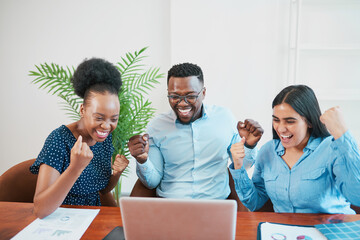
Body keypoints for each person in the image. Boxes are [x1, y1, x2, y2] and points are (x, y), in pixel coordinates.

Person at [128, 62, 263, 199]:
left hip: (215, 205)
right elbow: (151, 183)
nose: (182, 103)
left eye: (191, 96)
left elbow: (243, 166)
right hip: (170, 206)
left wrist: (249, 146)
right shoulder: (157, 127)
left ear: (203, 93)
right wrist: (142, 160)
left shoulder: (224, 118)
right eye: (175, 96)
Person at [230, 84, 360, 214]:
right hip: (285, 231)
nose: (280, 128)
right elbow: (254, 203)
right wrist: (238, 166)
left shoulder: (331, 148)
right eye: (276, 120)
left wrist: (342, 134)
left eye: (290, 121)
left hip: (330, 229)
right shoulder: (268, 151)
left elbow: (357, 196)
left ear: (309, 122)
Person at [30, 58, 129, 218]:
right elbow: (40, 210)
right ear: (82, 110)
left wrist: (116, 173)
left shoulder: (104, 140)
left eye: (114, 119)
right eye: (99, 118)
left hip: (93, 219)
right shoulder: (59, 140)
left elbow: (102, 189)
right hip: (62, 220)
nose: (106, 126)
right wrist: (75, 168)